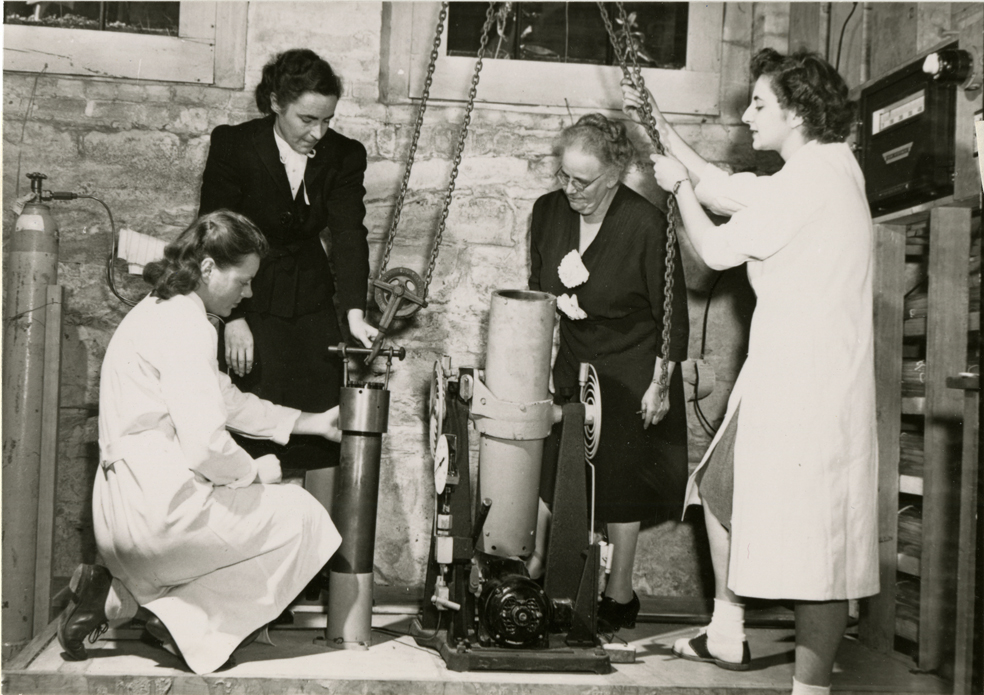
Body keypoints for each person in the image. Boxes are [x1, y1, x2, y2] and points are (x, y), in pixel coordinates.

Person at [623, 49, 878, 695]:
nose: (746, 114)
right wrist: (658, 125)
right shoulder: (823, 166)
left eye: (760, 103)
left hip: (808, 382)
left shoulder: (808, 181)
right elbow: (717, 181)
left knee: (818, 550)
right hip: (794, 371)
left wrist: (675, 188)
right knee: (719, 484)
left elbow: (711, 247)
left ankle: (809, 687)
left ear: (796, 111)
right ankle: (728, 628)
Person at [56, 210, 344, 674]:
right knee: (306, 517)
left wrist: (312, 421)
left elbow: (224, 400)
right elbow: (208, 447)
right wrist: (256, 473)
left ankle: (113, 597)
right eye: (243, 280)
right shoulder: (189, 326)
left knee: (238, 518)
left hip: (115, 522)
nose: (248, 293)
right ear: (208, 269)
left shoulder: (156, 310)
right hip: (159, 518)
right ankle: (183, 627)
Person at [529, 113, 689, 631]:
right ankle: (540, 575)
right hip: (576, 354)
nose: (569, 189)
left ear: (615, 174)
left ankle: (619, 594)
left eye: (583, 181)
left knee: (620, 476)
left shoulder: (645, 224)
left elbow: (673, 316)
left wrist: (660, 384)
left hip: (633, 360)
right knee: (555, 464)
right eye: (564, 175)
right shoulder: (548, 210)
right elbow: (537, 294)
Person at [198, 48, 377, 488]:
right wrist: (232, 319)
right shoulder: (235, 146)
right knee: (252, 435)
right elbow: (215, 233)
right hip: (250, 298)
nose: (318, 132)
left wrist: (354, 311)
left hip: (312, 304)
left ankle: (304, 542)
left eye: (327, 120)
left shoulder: (344, 155)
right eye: (306, 119)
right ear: (276, 103)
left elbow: (349, 234)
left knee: (318, 436)